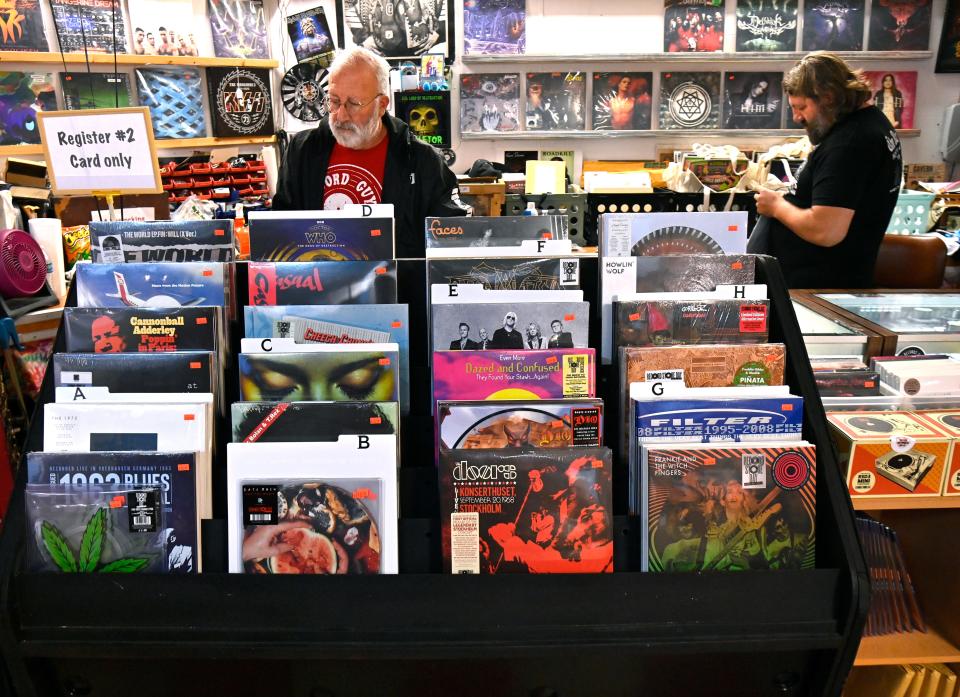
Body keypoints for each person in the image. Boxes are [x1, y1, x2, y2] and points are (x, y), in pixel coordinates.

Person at [273, 47, 466, 258]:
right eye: (334, 101)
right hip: (318, 285)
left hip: (397, 288)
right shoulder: (302, 151)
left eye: (354, 104)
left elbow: (450, 238)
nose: (341, 115)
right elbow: (279, 230)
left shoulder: (422, 161)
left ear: (382, 104)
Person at [751, 52, 902, 288]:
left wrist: (777, 207)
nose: (796, 117)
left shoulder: (849, 143)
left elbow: (826, 230)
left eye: (801, 107)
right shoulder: (872, 122)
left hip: (819, 287)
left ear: (829, 98)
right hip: (820, 280)